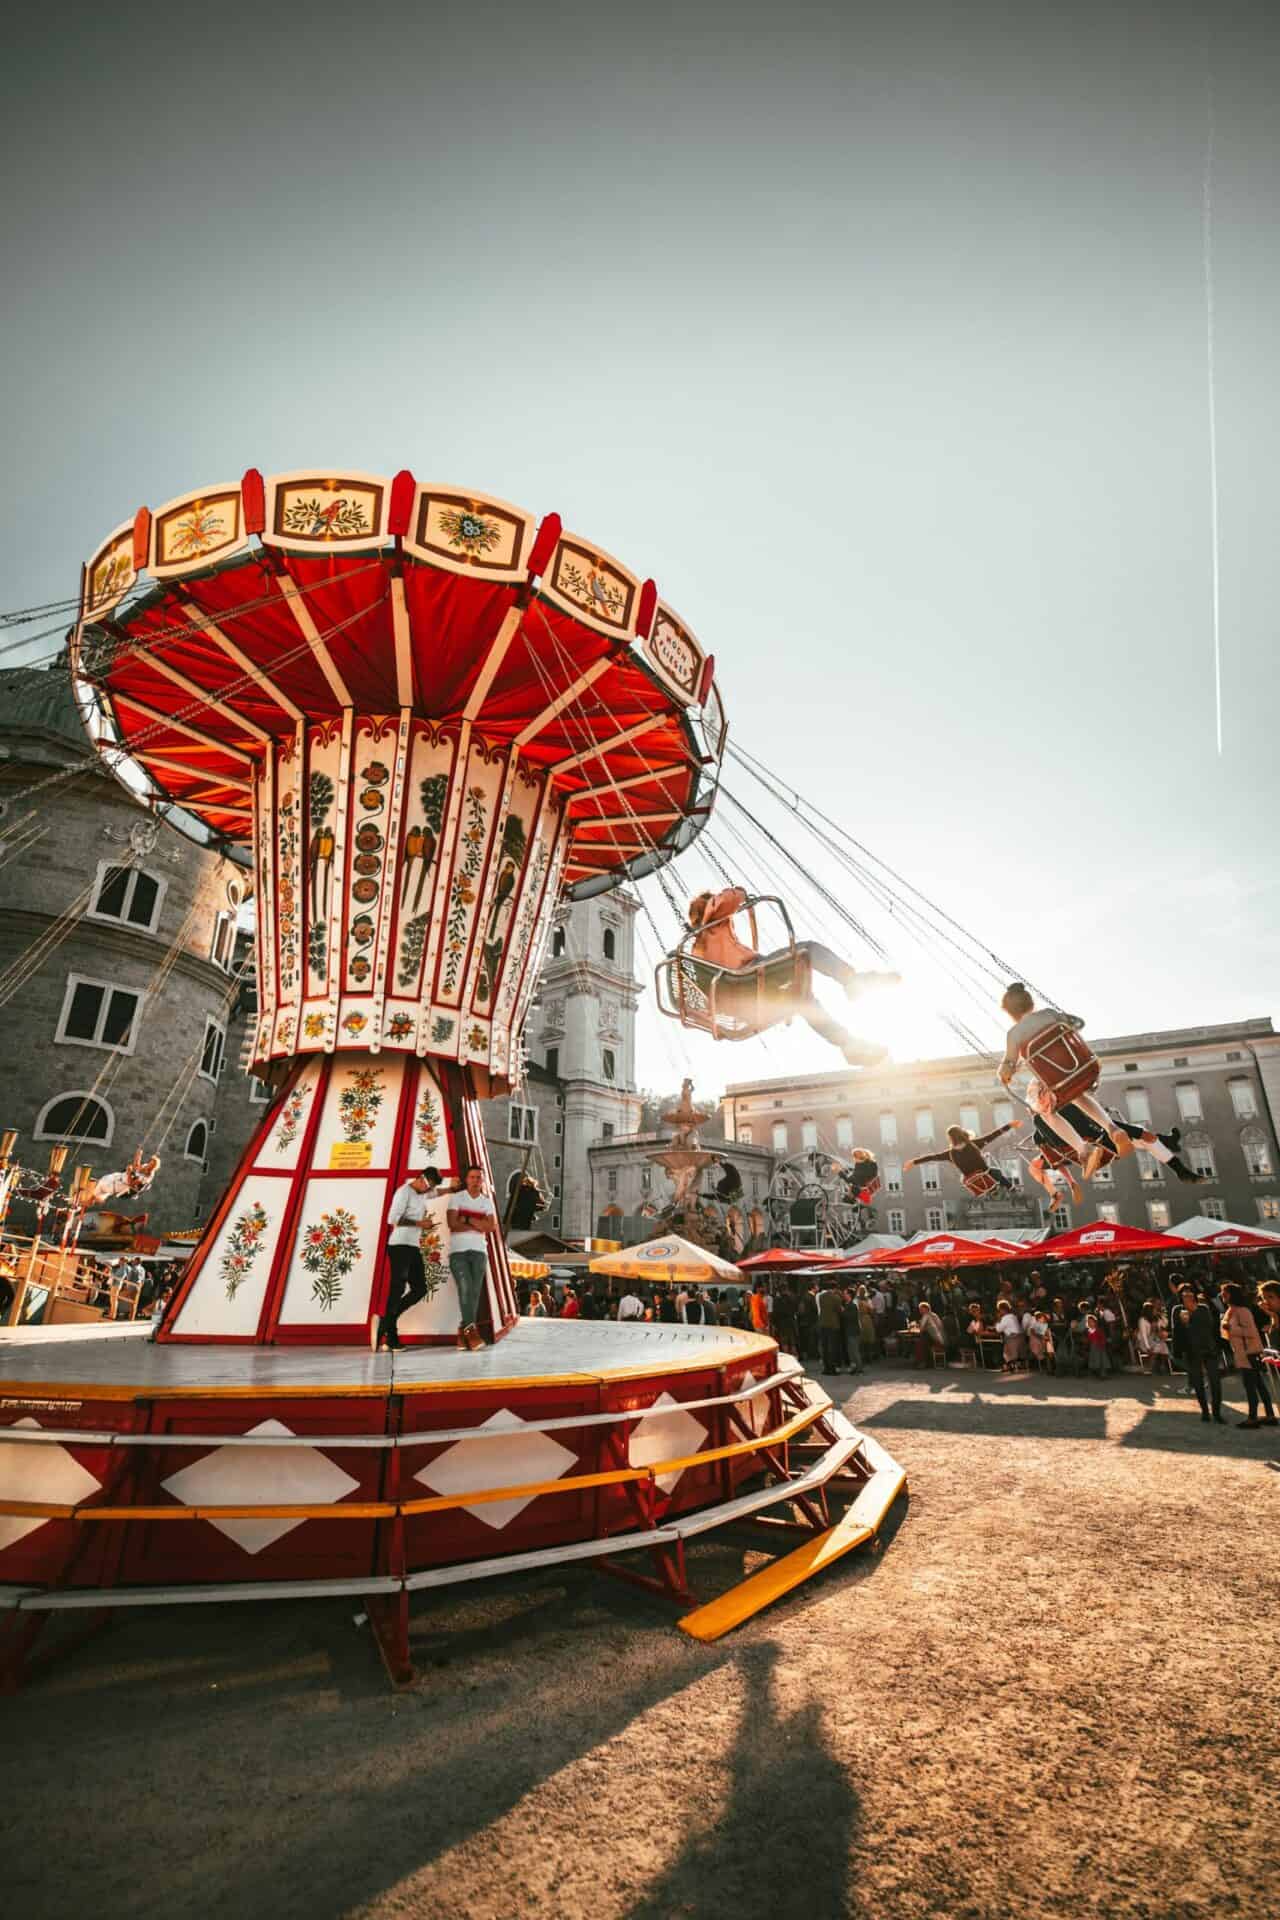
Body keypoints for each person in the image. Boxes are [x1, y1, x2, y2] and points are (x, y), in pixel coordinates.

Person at [685, 887, 899, 1067]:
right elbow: (733, 898)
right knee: (807, 951)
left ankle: (847, 1043)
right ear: (708, 909)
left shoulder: (700, 950)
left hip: (746, 993)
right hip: (750, 977)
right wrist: (738, 891)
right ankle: (852, 980)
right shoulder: (713, 927)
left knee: (803, 1000)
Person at [997, 984, 1130, 1173]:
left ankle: (1084, 1149)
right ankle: (1112, 1128)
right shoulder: (1050, 1014)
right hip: (1080, 1068)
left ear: (1009, 1013)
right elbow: (1078, 1024)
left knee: (1043, 1111)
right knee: (1077, 1095)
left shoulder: (1014, 1033)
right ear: (1031, 1003)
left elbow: (1007, 1067)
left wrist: (1005, 1074)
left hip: (1055, 1083)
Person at [380, 1166, 443, 1350]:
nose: (428, 1190)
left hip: (413, 1246)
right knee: (397, 1289)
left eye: (430, 1187)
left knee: (420, 1288)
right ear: (421, 1178)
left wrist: (452, 1188)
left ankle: (386, 1321)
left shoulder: (423, 1193)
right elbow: (392, 1219)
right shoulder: (403, 1192)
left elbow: (436, 1193)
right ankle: (391, 1337)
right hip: (399, 1245)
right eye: (428, 1185)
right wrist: (419, 1223)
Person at [446, 1166, 498, 1352]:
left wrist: (466, 1220)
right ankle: (471, 1331)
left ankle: (463, 1333)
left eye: (479, 1178)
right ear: (466, 1179)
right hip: (458, 1251)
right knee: (466, 1288)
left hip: (479, 1251)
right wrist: (478, 1223)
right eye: (472, 1177)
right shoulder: (456, 1198)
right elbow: (452, 1223)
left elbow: (490, 1227)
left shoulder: (486, 1202)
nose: (476, 1180)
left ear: (482, 1181)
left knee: (474, 1292)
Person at [1220, 1280, 1277, 1429]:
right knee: (1258, 1384)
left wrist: (1230, 1328)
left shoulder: (1242, 1311)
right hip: (1244, 1353)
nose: (1222, 1295)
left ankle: (1253, 1418)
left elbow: (1251, 1332)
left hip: (1248, 1353)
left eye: (1225, 1293)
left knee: (1251, 1386)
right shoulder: (1232, 1310)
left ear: (1232, 1295)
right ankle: (1269, 1415)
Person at [905, 1122, 1017, 1194]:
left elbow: (932, 1157)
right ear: (962, 1133)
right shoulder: (974, 1144)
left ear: (950, 1139)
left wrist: (914, 1162)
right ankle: (1012, 1188)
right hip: (985, 1174)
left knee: (982, 1176)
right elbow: (993, 1135)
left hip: (971, 1180)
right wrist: (1009, 1126)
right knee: (996, 1172)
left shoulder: (950, 1153)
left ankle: (993, 1191)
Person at [1171, 1286, 1225, 1424]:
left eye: (1190, 1294)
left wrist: (1192, 1318)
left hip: (1208, 1349)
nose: (1187, 1297)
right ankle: (1205, 1412)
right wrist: (1185, 1324)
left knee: (1215, 1382)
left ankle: (1217, 1412)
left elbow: (1209, 1326)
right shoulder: (1177, 1310)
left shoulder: (1203, 1309)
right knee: (1198, 1383)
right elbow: (1176, 1331)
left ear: (1194, 1295)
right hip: (1191, 1351)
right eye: (1184, 1295)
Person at [817, 1280, 845, 1374]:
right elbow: (839, 1311)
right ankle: (833, 1368)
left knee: (825, 1347)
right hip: (833, 1324)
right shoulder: (836, 1298)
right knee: (833, 1347)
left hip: (823, 1323)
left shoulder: (821, 1296)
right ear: (835, 1288)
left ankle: (826, 1368)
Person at [994, 1297, 1024, 1369]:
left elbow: (998, 1329)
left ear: (1002, 1310)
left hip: (1012, 1338)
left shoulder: (1005, 1318)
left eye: (999, 1310)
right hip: (1019, 1337)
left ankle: (1012, 1365)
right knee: (1006, 1352)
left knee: (1007, 1353)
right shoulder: (1013, 1316)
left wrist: (998, 1320)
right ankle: (1011, 1365)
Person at [915, 1299, 945, 1366]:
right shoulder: (934, 1315)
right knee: (924, 1339)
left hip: (937, 1340)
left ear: (926, 1309)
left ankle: (922, 1362)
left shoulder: (926, 1316)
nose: (920, 1311)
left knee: (920, 1342)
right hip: (943, 1339)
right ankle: (928, 1361)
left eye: (921, 1309)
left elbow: (921, 1329)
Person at [841, 1288, 864, 1372]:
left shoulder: (852, 1305)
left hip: (853, 1331)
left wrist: (843, 1312)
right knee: (850, 1350)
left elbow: (852, 1317)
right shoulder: (847, 1304)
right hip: (849, 1330)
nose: (844, 1295)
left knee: (854, 1350)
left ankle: (859, 1367)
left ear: (849, 1295)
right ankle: (854, 1366)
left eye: (845, 1293)